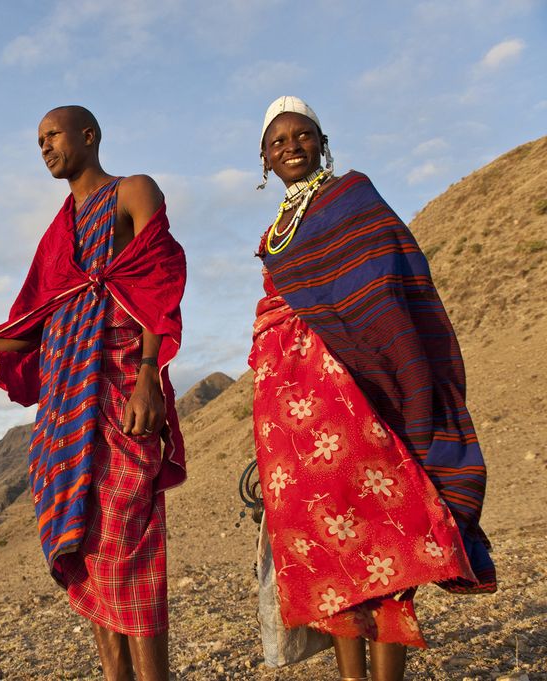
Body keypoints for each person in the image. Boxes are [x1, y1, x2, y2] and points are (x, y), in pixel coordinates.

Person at [0, 105, 186, 681]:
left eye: (53, 135)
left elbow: (158, 286)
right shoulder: (57, 233)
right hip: (65, 412)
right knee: (88, 555)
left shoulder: (134, 191)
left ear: (89, 137)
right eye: (37, 140)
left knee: (131, 554)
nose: (44, 147)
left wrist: (147, 376)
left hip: (120, 395)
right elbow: (34, 324)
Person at [248, 96, 497, 681]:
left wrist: (386, 363)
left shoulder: (351, 197)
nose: (291, 146)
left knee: (390, 544)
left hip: (362, 398)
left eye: (302, 135)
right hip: (297, 421)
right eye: (277, 141)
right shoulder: (273, 233)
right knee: (335, 557)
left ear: (322, 141)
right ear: (263, 159)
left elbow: (386, 281)